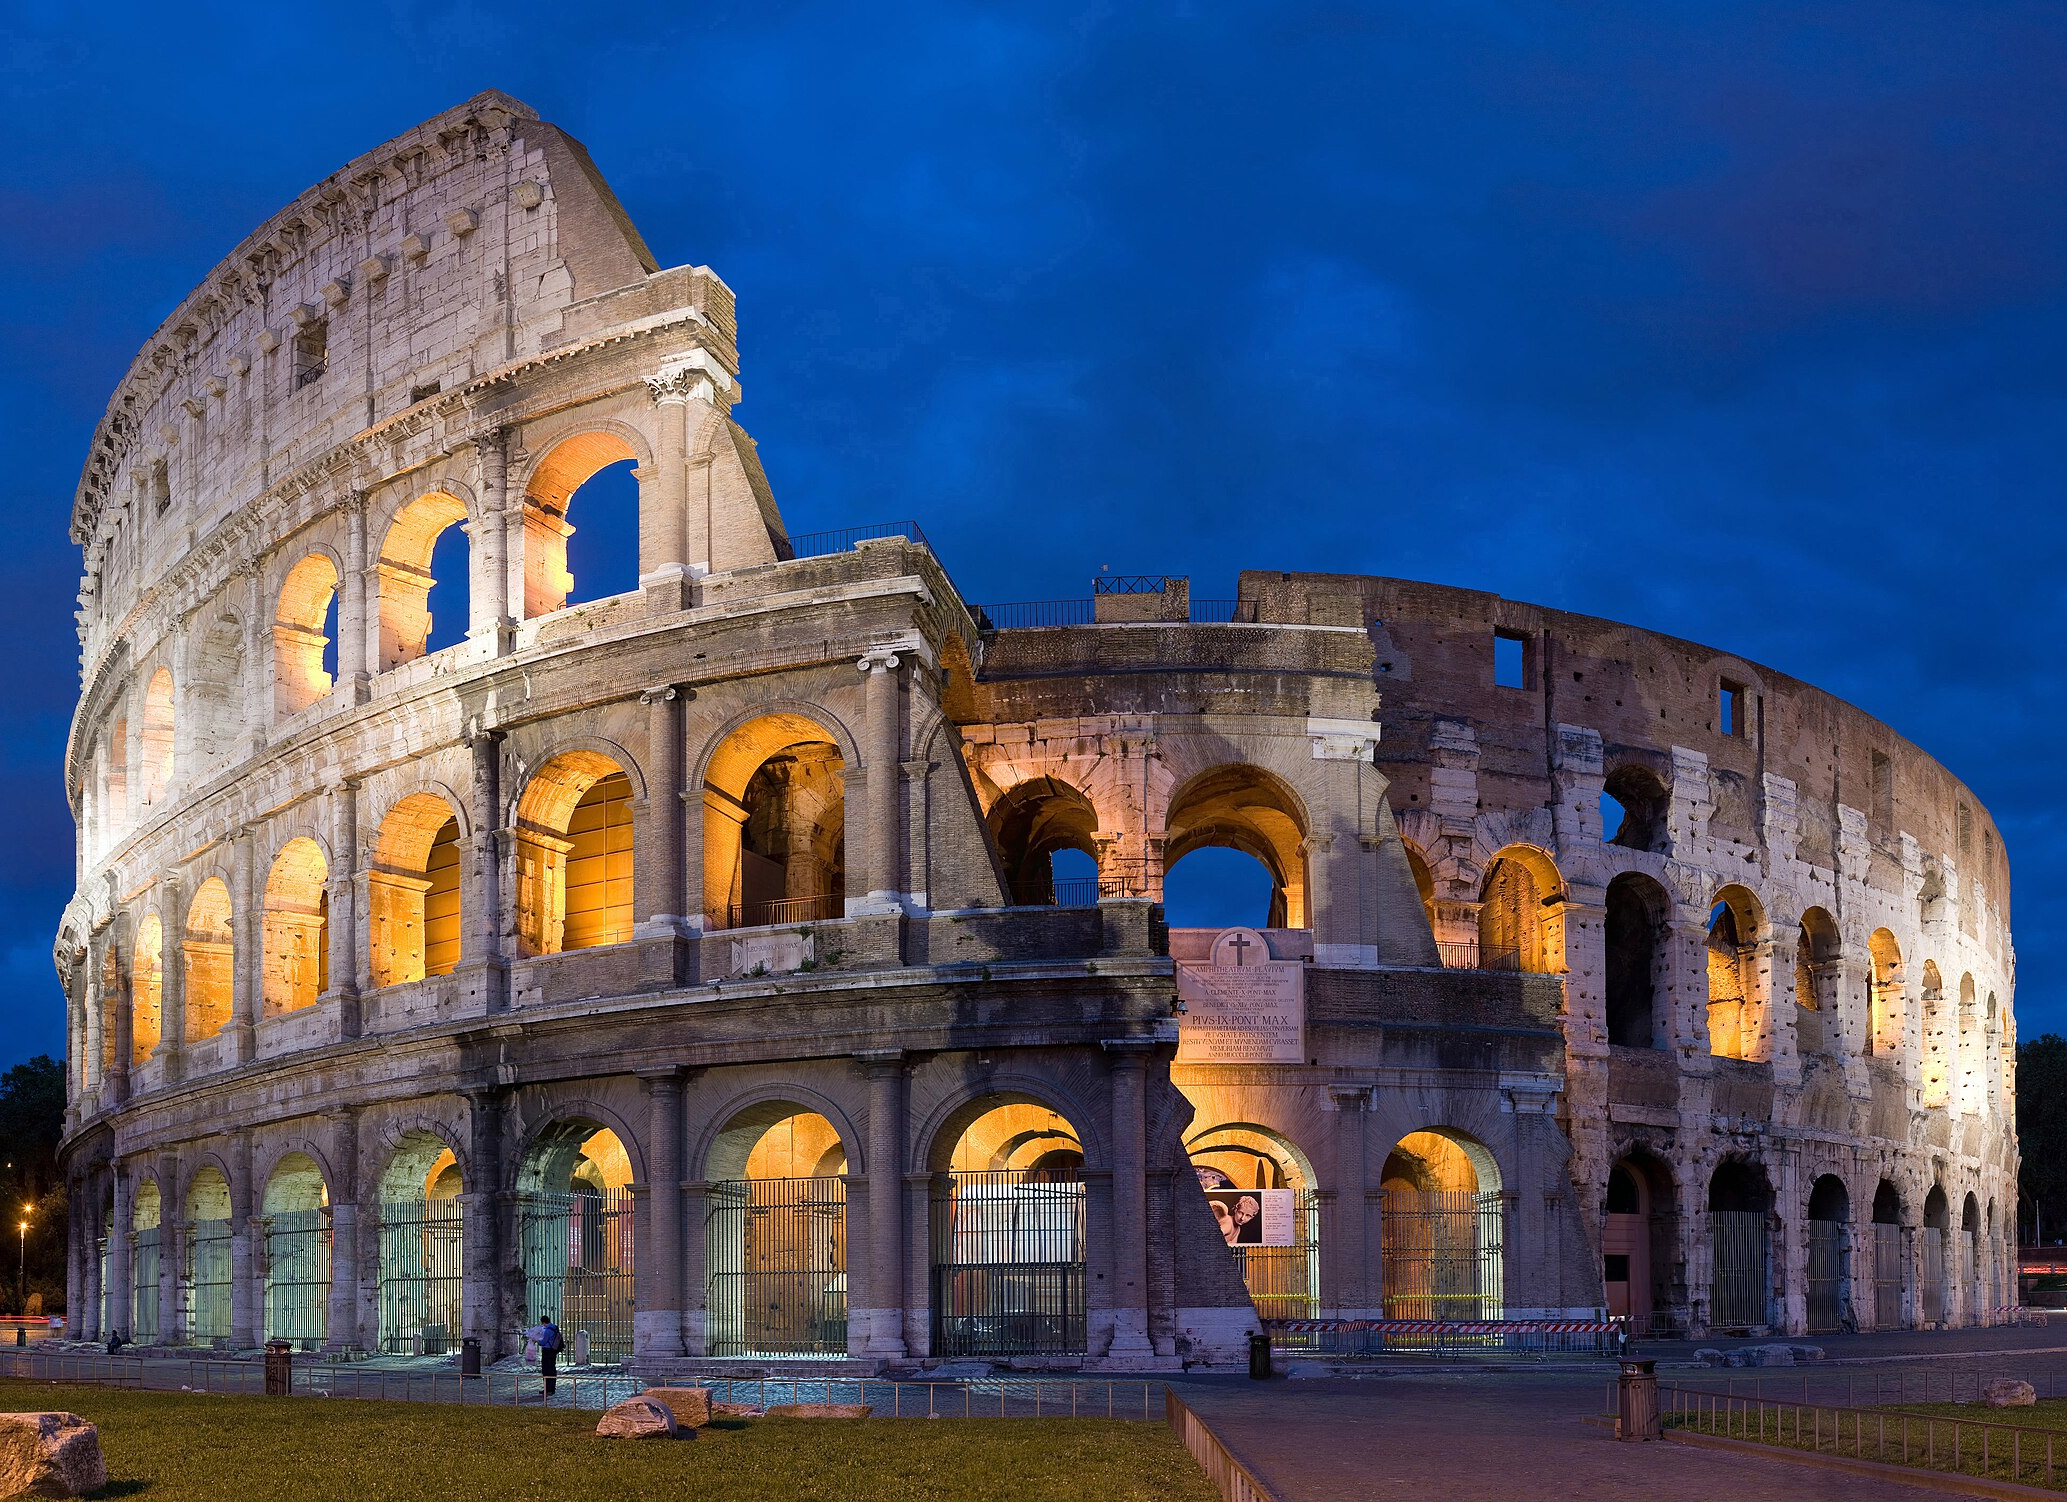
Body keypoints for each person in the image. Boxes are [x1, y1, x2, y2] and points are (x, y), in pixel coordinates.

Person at [522, 1315, 564, 1396]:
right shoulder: (555, 1328)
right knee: (552, 1369)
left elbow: (543, 1342)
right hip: (553, 1351)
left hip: (547, 1351)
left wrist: (536, 1340)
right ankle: (552, 1388)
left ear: (543, 1322)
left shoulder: (548, 1330)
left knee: (546, 1370)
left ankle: (548, 1389)